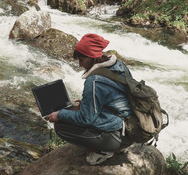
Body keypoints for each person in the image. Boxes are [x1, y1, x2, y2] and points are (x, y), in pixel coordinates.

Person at [46, 33, 134, 165]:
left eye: (81, 59)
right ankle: (114, 146)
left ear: (91, 57)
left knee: (60, 126)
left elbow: (85, 119)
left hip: (116, 135)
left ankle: (104, 151)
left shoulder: (94, 81)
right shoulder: (119, 66)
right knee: (74, 113)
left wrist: (60, 114)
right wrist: (89, 103)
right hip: (131, 129)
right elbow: (118, 97)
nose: (80, 64)